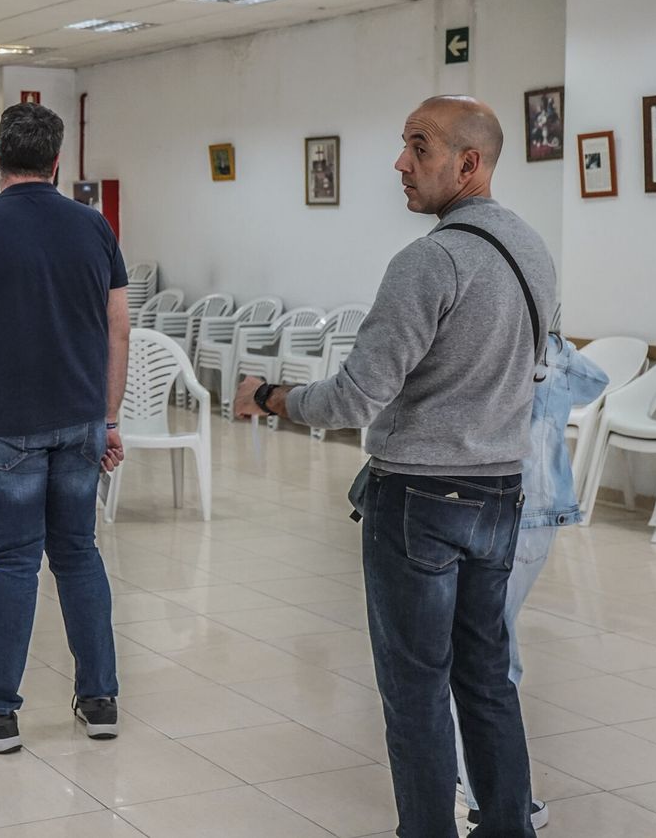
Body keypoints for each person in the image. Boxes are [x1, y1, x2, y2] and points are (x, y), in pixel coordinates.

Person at [234, 95, 558, 838]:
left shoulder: (430, 260)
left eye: (420, 146)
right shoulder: (531, 249)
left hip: (419, 498)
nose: (400, 163)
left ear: (468, 164)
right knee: (485, 677)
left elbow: (353, 398)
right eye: (404, 145)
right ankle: (509, 825)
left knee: (415, 687)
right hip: (501, 491)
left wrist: (272, 396)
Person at [0, 102, 129, 754]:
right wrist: (109, 415)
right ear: (58, 161)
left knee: (13, 562)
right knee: (78, 554)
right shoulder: (95, 228)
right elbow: (118, 330)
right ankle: (99, 700)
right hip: (79, 418)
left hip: (3, 423)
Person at [454, 329, 607, 831]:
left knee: (479, 649)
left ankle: (485, 789)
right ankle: (491, 796)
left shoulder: (476, 340)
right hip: (524, 511)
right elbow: (593, 381)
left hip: (467, 504)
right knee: (488, 652)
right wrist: (554, 345)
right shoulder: (546, 350)